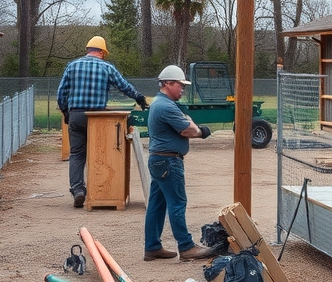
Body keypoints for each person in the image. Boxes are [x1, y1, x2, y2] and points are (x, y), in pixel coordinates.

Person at [56, 36, 148, 208]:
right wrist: (139, 97)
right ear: (102, 52)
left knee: (77, 154)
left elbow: (61, 93)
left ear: (88, 50)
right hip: (99, 119)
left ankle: (78, 189)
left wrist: (66, 112)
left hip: (76, 115)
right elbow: (124, 86)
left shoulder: (72, 66)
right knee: (101, 153)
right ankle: (102, 190)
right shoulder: (107, 67)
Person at [143, 65, 217, 262]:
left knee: (157, 204)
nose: (182, 89)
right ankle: (186, 247)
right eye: (180, 85)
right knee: (177, 202)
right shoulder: (166, 106)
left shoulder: (160, 103)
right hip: (168, 161)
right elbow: (189, 129)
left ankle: (152, 247)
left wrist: (190, 122)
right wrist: (201, 131)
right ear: (168, 83)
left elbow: (187, 122)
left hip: (159, 160)